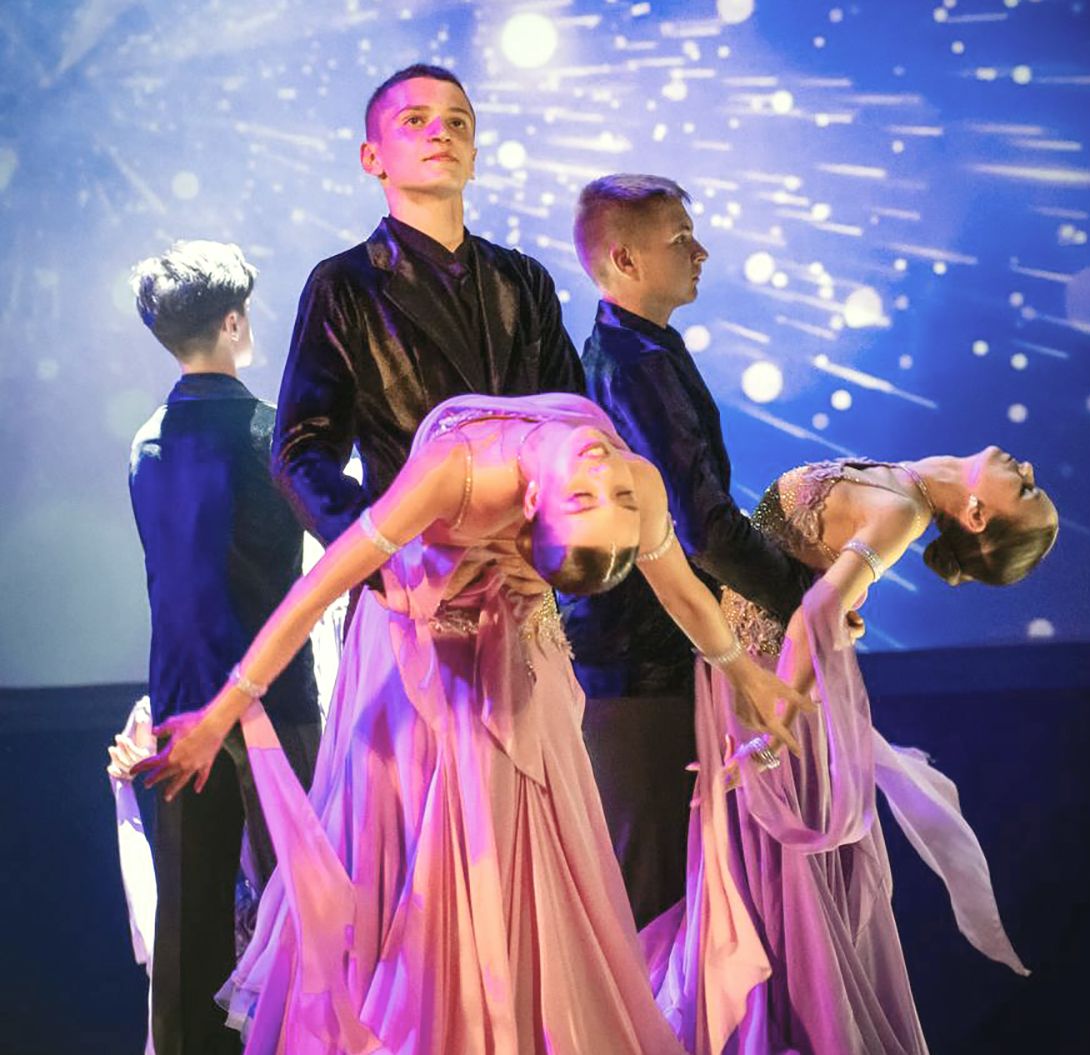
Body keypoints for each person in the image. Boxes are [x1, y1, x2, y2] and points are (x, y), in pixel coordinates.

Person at [133, 392, 808, 1055]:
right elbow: (322, 586)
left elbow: (682, 594)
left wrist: (745, 674)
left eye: (605, 501)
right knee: (426, 855)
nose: (607, 476)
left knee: (530, 850)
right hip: (420, 650)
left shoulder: (617, 483)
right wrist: (223, 711)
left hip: (518, 653)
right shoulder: (455, 470)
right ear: (532, 502)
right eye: (600, 498)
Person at [642, 449, 1059, 1054]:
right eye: (1032, 485)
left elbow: (815, 616)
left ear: (975, 515)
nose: (1028, 471)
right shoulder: (902, 483)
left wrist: (771, 738)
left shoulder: (903, 513)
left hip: (765, 686)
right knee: (749, 884)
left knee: (765, 891)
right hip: (751, 670)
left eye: (1024, 492)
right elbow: (816, 591)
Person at [563, 174, 817, 926]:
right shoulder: (635, 363)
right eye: (681, 239)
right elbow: (701, 525)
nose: (700, 251)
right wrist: (808, 597)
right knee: (658, 902)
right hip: (639, 664)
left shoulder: (640, 351)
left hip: (655, 658)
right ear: (625, 259)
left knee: (676, 893)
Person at [126, 240, 322, 1055]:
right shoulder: (273, 436)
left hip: (181, 704)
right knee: (301, 907)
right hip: (272, 696)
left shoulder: (146, 440)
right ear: (235, 321)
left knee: (190, 919)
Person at [272, 63, 583, 549]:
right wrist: (386, 554)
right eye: (415, 120)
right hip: (416, 573)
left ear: (473, 159)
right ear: (372, 157)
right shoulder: (345, 284)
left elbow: (574, 425)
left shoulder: (524, 280)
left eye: (458, 122)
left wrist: (554, 543)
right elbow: (301, 452)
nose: (441, 132)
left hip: (527, 569)